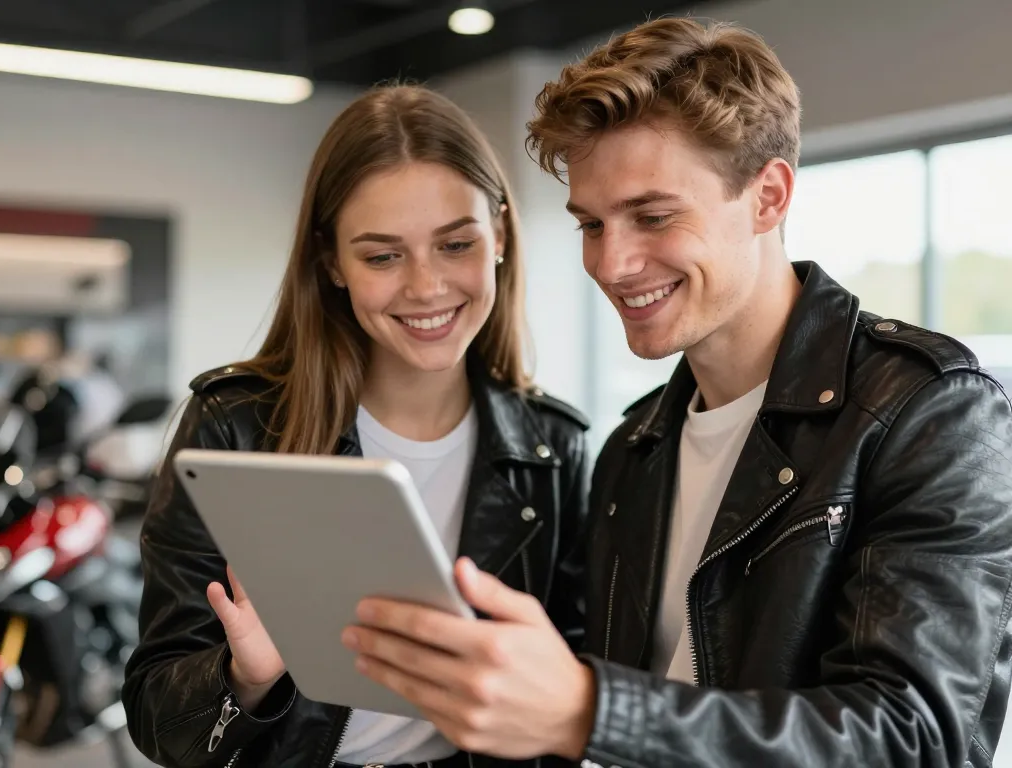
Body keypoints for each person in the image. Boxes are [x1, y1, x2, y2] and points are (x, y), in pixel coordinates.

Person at [339, 17, 1012, 768]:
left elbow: (913, 742)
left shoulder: (930, 412)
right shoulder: (634, 448)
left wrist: (591, 710)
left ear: (768, 197)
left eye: (653, 217)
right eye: (591, 225)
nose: (612, 264)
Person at [120, 83, 590, 768]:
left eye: (455, 243)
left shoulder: (555, 448)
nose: (426, 287)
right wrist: (246, 676)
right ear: (330, 262)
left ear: (500, 234)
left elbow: (574, 697)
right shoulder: (235, 425)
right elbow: (159, 722)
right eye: (382, 256)